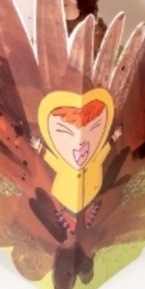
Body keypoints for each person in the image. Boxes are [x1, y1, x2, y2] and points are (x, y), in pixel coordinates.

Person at [33, 88, 119, 232]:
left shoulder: (94, 159)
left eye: (94, 129)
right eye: (65, 134)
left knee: (89, 202)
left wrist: (114, 137)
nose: (81, 143)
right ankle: (70, 217)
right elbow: (52, 160)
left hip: (91, 188)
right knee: (71, 205)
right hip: (67, 191)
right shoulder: (64, 164)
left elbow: (104, 151)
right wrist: (40, 147)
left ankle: (87, 213)